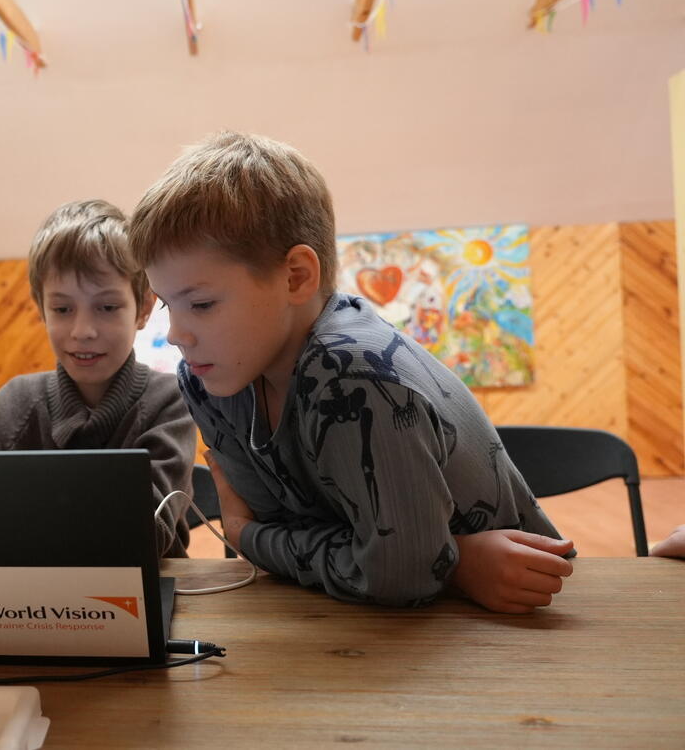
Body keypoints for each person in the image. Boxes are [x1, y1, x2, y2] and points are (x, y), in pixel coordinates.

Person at [128, 132, 574, 612]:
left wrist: (246, 535)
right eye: (168, 305)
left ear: (297, 276)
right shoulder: (208, 378)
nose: (176, 333)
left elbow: (394, 574)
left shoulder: (350, 373)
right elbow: (328, 547)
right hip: (361, 628)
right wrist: (454, 562)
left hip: (511, 627)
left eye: (201, 304)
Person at [0, 200, 196, 557]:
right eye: (63, 309)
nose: (83, 331)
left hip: (149, 597)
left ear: (143, 309)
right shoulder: (14, 404)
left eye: (107, 307)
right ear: (40, 309)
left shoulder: (170, 401)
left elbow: (144, 538)